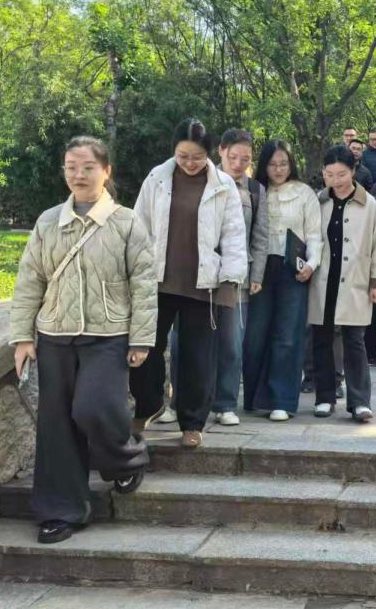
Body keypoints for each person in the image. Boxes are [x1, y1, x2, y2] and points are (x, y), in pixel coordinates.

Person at [11, 136, 154, 544]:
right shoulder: (48, 222)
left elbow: (144, 284)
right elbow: (30, 280)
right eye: (71, 167)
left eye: (88, 167)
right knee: (55, 424)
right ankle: (61, 510)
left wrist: (141, 339)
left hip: (108, 334)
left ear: (106, 171)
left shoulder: (126, 222)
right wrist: (22, 336)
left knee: (95, 408)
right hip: (54, 333)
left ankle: (126, 460)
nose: (79, 175)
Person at [130, 119, 247, 448]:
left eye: (197, 157)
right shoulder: (157, 178)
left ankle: (193, 423)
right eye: (183, 156)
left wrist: (231, 277)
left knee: (198, 357)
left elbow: (234, 235)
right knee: (146, 347)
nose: (190, 163)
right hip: (158, 280)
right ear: (174, 151)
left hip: (203, 283)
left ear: (209, 154)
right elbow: (139, 226)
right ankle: (149, 404)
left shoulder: (223, 185)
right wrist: (133, 268)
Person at [243, 140, 322, 422]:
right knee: (255, 334)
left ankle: (282, 400)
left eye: (284, 164)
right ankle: (254, 397)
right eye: (273, 164)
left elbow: (314, 234)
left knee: (288, 334)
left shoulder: (304, 193)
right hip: (259, 269)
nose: (278, 169)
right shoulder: (254, 191)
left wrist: (311, 264)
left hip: (293, 269)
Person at [309, 146, 376, 421]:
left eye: (341, 174)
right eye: (329, 174)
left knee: (354, 341)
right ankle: (324, 397)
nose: (336, 180)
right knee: (322, 339)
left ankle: (359, 401)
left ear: (353, 171)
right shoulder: (318, 201)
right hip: (323, 279)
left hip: (355, 278)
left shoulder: (369, 203)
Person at [205, 129, 270, 426]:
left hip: (239, 275)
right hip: (202, 273)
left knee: (232, 343)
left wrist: (257, 274)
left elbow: (260, 236)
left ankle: (226, 403)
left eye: (245, 159)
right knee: (190, 341)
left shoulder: (255, 190)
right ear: (221, 151)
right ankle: (185, 401)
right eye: (233, 157)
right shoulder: (203, 181)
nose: (238, 164)